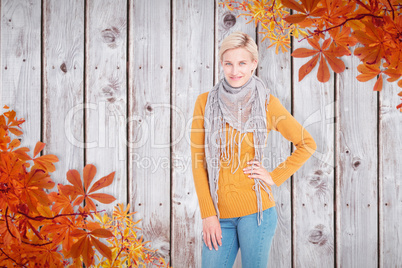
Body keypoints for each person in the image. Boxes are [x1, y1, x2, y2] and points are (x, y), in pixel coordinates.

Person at [190, 31, 317, 268]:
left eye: (242, 63)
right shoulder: (204, 102)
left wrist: (273, 176)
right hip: (218, 214)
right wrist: (208, 214)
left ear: (253, 64)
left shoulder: (267, 103)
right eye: (228, 63)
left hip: (257, 213)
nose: (234, 70)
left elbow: (307, 143)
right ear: (221, 64)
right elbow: (198, 162)